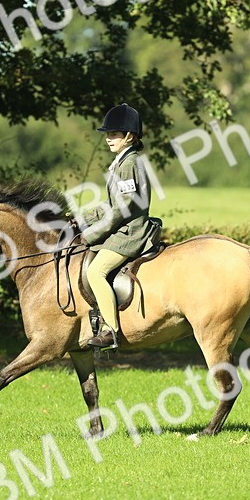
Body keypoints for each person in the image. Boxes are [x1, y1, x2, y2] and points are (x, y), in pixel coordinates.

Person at [76, 103, 160, 349]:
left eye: (113, 134)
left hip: (130, 233)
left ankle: (110, 330)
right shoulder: (122, 162)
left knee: (95, 271)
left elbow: (120, 210)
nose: (108, 139)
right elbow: (109, 204)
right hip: (122, 228)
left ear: (129, 136)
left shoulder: (129, 164)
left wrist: (90, 235)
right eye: (107, 134)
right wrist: (82, 219)